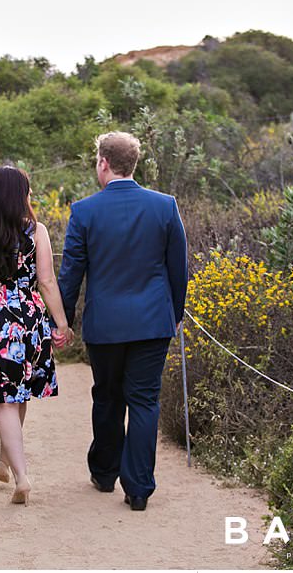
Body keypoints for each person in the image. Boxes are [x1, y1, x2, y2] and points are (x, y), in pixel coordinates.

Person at [58, 131, 187, 511]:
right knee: (145, 401)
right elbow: (177, 270)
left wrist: (61, 321)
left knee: (108, 396)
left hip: (106, 326)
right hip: (153, 323)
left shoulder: (84, 211)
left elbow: (71, 274)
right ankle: (139, 488)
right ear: (133, 164)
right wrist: (173, 315)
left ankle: (104, 472)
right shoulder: (165, 206)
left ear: (103, 163)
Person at [0, 165, 69, 506]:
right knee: (16, 395)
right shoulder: (36, 231)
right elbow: (47, 282)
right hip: (29, 317)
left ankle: (15, 470)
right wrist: (61, 324)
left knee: (6, 398)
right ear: (20, 195)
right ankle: (13, 468)